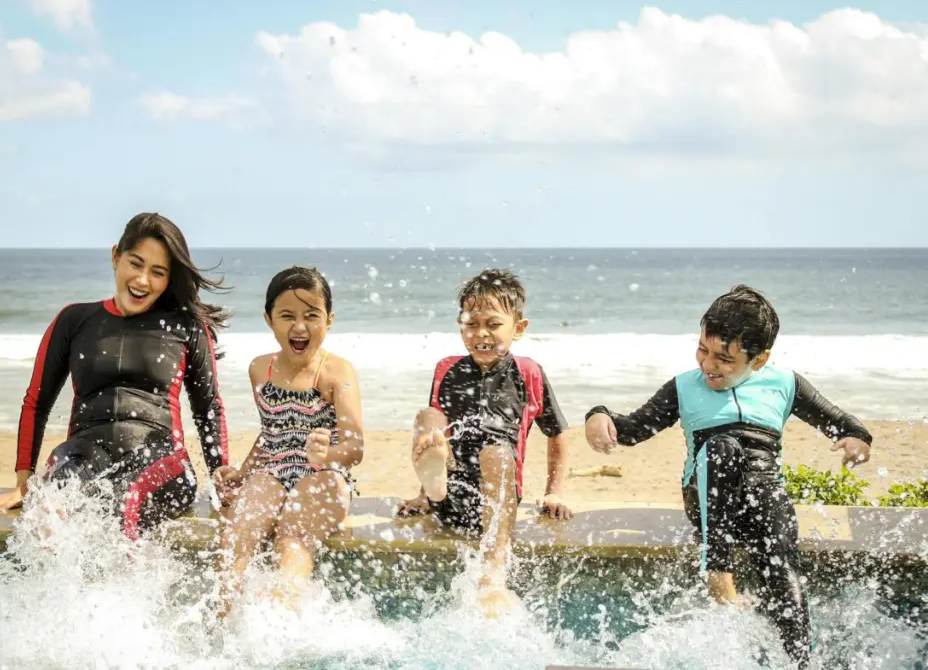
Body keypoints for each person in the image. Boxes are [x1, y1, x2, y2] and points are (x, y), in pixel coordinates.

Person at [584, 284, 873, 668]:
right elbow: (634, 428)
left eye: (724, 358)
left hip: (763, 496)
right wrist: (599, 414)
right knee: (723, 448)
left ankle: (800, 660)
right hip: (707, 495)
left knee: (782, 561)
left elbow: (839, 420)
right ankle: (718, 573)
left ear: (759, 359)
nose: (708, 365)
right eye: (703, 350)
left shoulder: (784, 383)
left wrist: (857, 439)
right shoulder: (685, 386)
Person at [0, 212, 231, 542]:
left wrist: (220, 478)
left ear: (168, 280)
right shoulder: (74, 320)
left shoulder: (185, 328)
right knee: (50, 507)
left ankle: (124, 594)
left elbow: (208, 410)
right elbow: (37, 402)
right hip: (81, 454)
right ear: (115, 256)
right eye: (136, 263)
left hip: (161, 460)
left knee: (124, 506)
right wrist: (23, 482)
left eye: (157, 273)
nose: (143, 280)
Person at [396, 268, 573, 618]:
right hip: (451, 496)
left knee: (494, 451)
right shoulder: (446, 369)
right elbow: (436, 437)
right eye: (471, 324)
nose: (481, 334)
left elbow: (558, 432)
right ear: (460, 325)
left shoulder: (528, 372)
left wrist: (555, 491)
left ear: (518, 328)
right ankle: (431, 489)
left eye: (493, 324)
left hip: (498, 504)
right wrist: (422, 495)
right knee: (428, 420)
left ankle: (494, 569)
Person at [212, 266, 364, 614]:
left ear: (329, 320)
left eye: (312, 315)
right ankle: (224, 616)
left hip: (324, 477)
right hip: (272, 471)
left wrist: (327, 456)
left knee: (292, 537)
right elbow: (271, 433)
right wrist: (243, 470)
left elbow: (355, 449)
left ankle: (284, 615)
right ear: (269, 319)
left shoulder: (337, 371)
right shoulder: (259, 369)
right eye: (287, 316)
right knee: (238, 531)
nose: (299, 326)